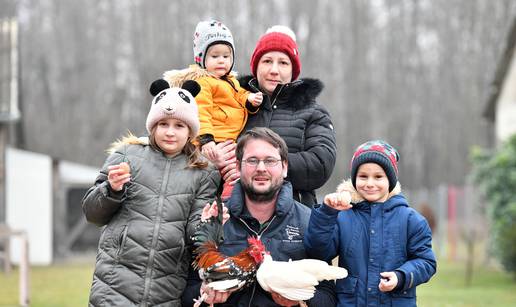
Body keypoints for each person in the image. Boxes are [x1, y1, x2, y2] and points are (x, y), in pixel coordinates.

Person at [82, 81, 221, 306]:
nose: (170, 132)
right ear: (152, 126)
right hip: (114, 284)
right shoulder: (126, 155)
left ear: (190, 131)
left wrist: (208, 223)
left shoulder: (204, 172)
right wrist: (111, 189)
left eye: (179, 125)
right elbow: (92, 214)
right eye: (163, 124)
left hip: (166, 287)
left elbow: (197, 237)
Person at [182, 127, 337, 307]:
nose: (261, 168)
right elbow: (187, 291)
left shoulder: (308, 221)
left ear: (285, 167)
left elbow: (328, 297)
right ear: (238, 166)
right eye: (252, 160)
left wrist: (301, 299)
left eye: (270, 161)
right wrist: (204, 293)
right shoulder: (216, 215)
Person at [304, 140, 437, 306]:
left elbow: (426, 262)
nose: (369, 184)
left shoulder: (411, 220)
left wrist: (401, 276)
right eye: (363, 176)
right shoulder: (342, 216)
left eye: (378, 177)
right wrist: (326, 213)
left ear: (391, 180)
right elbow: (318, 253)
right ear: (354, 179)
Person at [233, 25, 336, 206]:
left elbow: (321, 164)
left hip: (295, 218)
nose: (274, 70)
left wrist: (269, 164)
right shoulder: (234, 106)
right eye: (267, 61)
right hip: (238, 218)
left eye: (283, 62)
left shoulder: (313, 112)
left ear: (293, 70)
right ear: (256, 66)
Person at [163, 19, 263, 200]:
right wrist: (206, 140)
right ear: (201, 59)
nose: (221, 61)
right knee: (232, 172)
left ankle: (232, 197)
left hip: (229, 139)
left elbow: (239, 95)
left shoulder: (231, 81)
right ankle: (226, 199)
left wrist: (249, 100)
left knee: (239, 169)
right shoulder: (204, 82)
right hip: (214, 140)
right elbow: (201, 112)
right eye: (215, 56)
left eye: (226, 56)